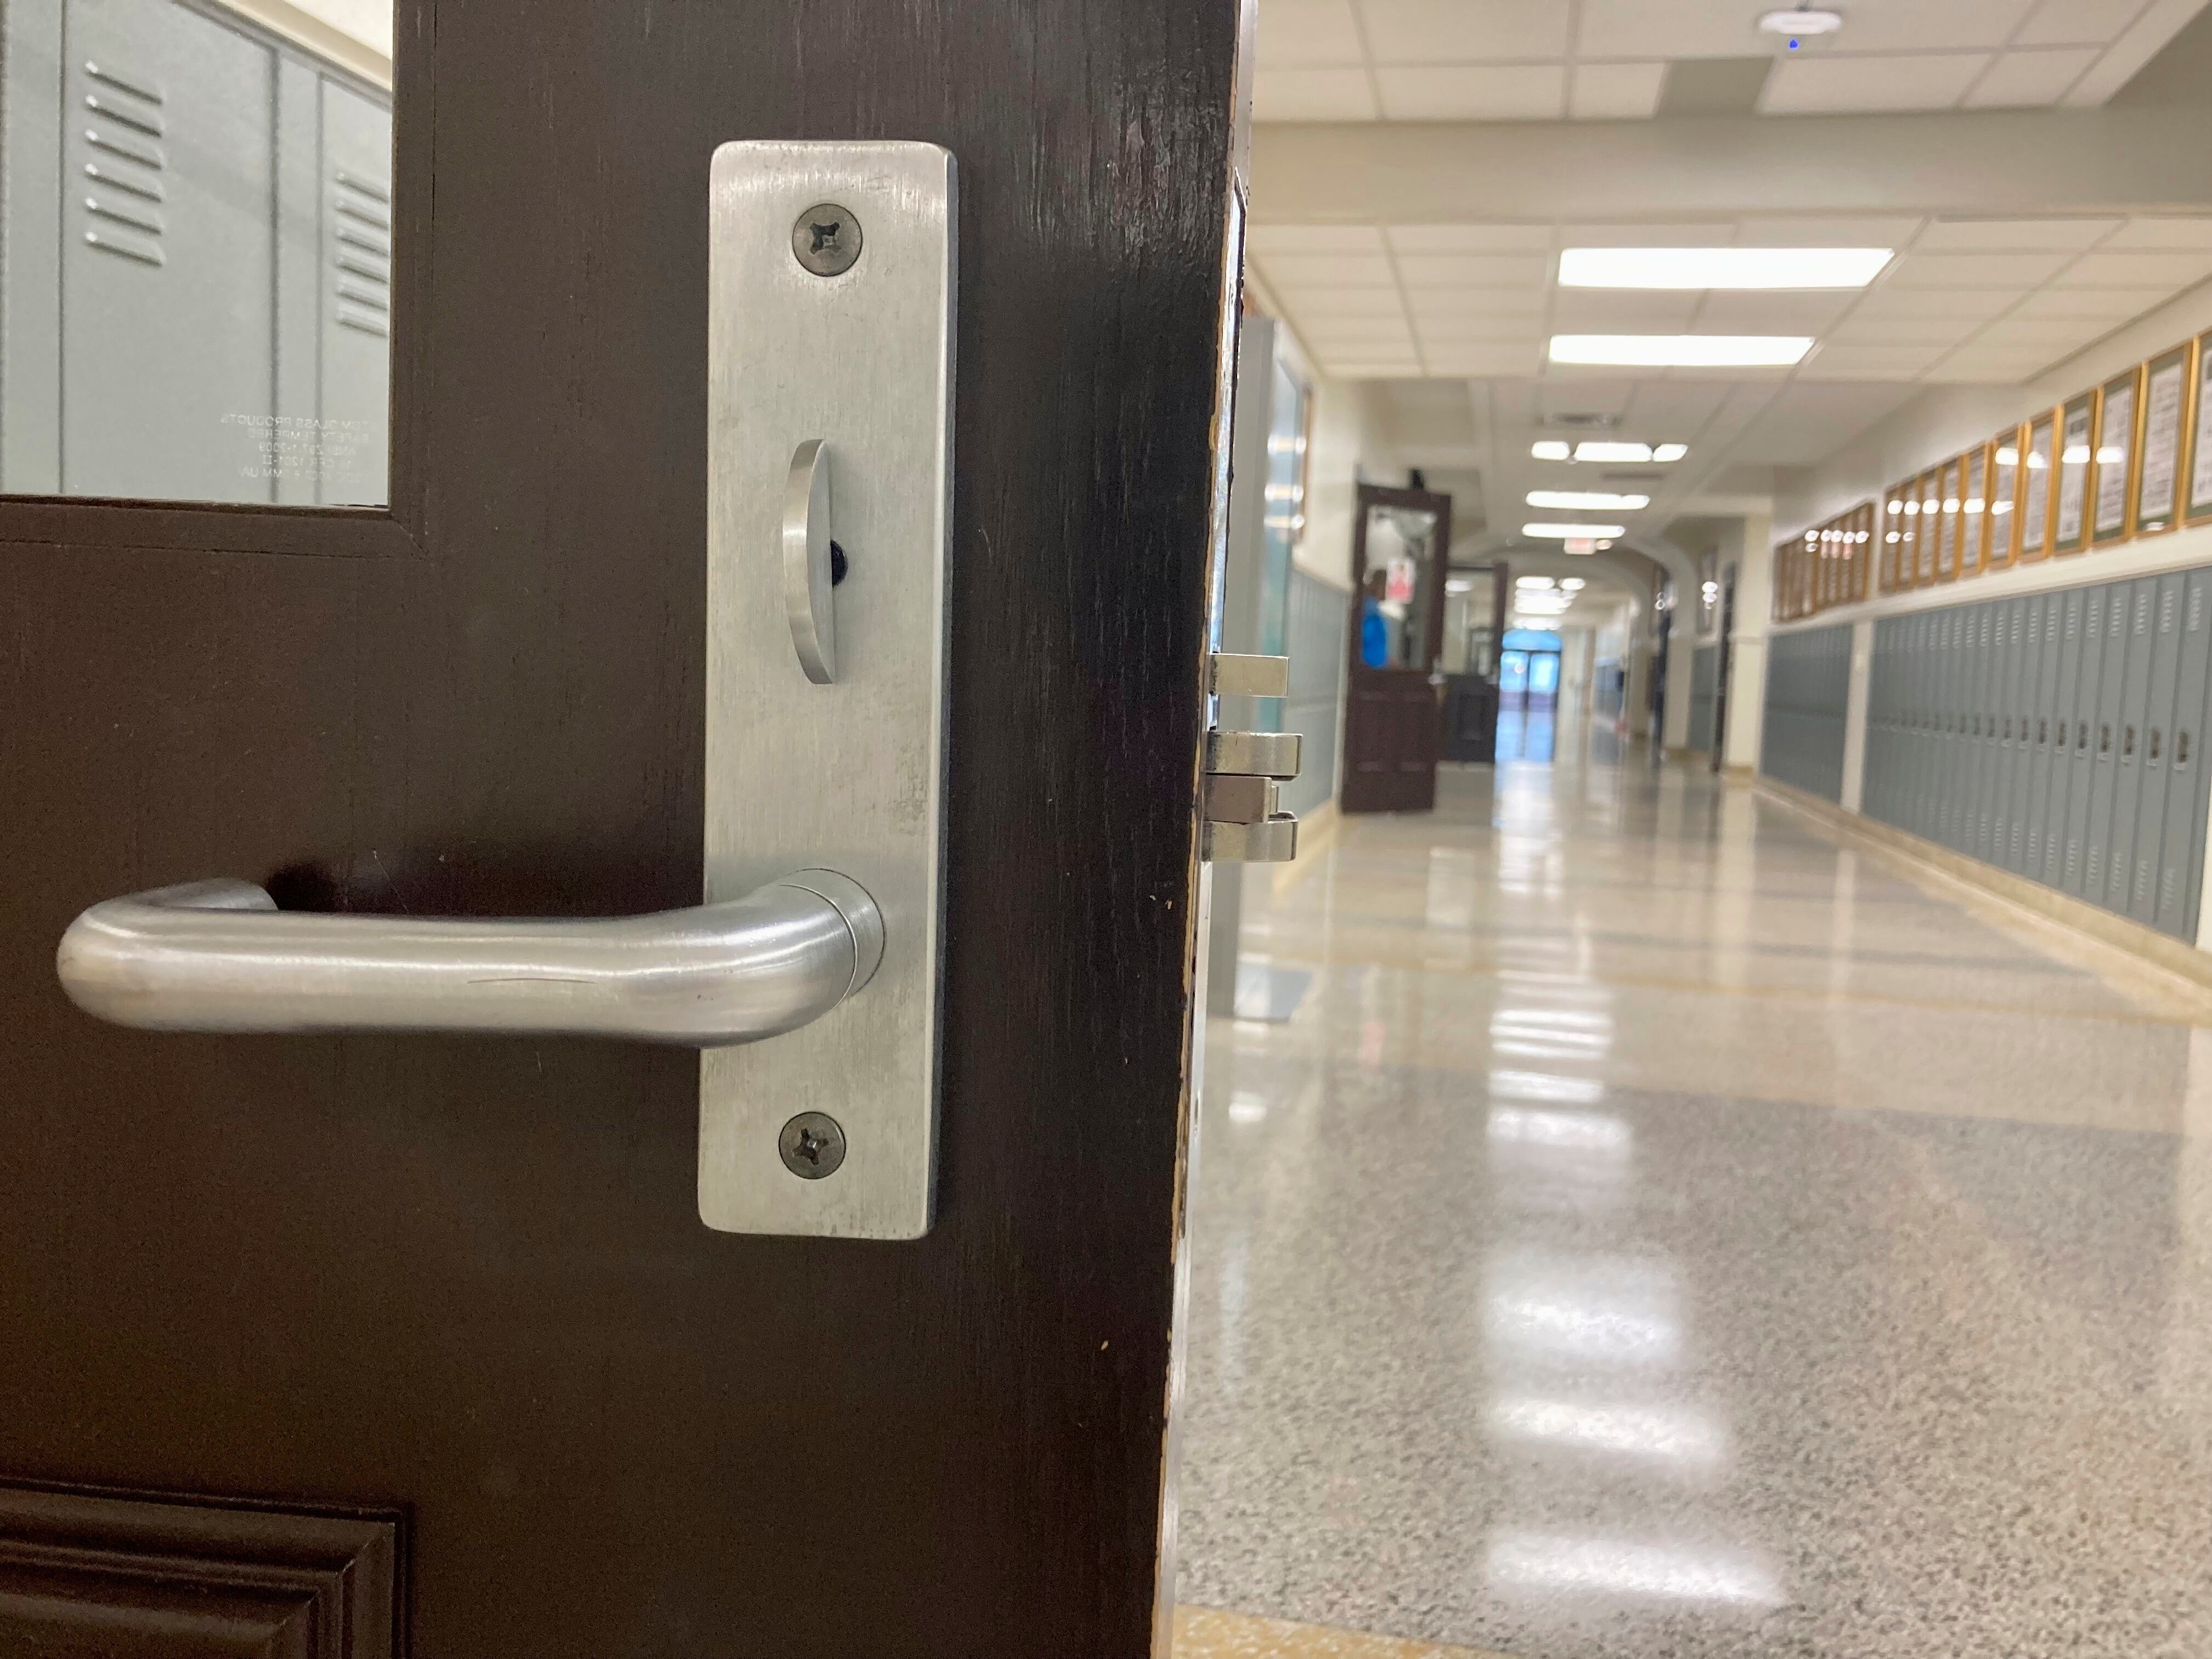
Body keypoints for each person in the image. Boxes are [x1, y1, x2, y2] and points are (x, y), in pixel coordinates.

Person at [1361, 567, 1391, 668]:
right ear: (1380, 586)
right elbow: (1366, 639)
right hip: (1367, 668)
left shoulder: (1374, 609)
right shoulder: (1370, 611)